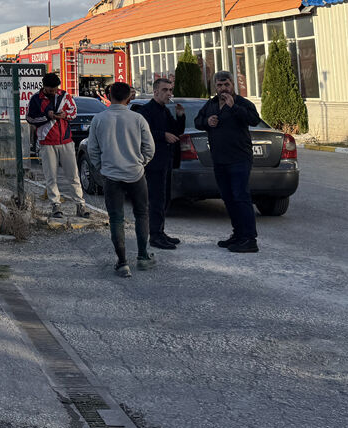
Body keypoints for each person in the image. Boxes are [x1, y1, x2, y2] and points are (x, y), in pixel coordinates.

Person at [87, 82, 156, 277]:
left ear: (109, 95)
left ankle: (122, 262)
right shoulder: (138, 118)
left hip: (111, 175)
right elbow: (149, 148)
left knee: (116, 218)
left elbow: (92, 149)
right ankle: (143, 257)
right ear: (129, 97)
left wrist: (102, 167)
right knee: (142, 214)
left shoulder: (99, 119)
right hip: (136, 174)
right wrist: (140, 163)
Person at [194, 70, 262, 253]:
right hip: (219, 159)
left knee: (241, 196)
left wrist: (234, 107)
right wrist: (207, 121)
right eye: (219, 85)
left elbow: (254, 120)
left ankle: (250, 239)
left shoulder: (242, 103)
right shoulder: (211, 104)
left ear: (233, 85)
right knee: (229, 198)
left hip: (239, 158)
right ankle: (238, 234)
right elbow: (198, 121)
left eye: (226, 85)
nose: (223, 88)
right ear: (215, 87)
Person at [25, 73, 90, 219]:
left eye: (55, 89)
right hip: (47, 142)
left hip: (66, 141)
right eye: (51, 89)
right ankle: (55, 206)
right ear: (44, 86)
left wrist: (64, 115)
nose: (54, 92)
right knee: (51, 176)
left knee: (73, 175)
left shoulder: (64, 96)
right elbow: (29, 118)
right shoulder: (36, 99)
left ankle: (80, 205)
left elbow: (74, 112)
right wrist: (47, 116)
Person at [135, 77, 187, 250]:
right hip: (153, 161)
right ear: (156, 91)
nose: (169, 93)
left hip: (166, 160)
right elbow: (144, 133)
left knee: (164, 198)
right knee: (156, 199)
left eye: (170, 90)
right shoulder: (146, 110)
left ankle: (160, 231)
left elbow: (176, 131)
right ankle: (155, 236)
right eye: (165, 90)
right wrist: (163, 135)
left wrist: (180, 116)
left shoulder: (164, 110)